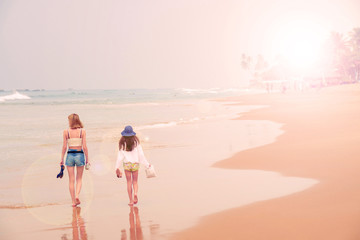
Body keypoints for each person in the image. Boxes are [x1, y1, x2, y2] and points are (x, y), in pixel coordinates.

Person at [115, 125, 150, 206]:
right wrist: (147, 164)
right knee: (135, 181)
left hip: (127, 165)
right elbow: (141, 155)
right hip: (135, 164)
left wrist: (117, 167)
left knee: (128, 182)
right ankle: (135, 194)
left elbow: (119, 158)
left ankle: (130, 200)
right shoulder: (136, 142)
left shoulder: (122, 143)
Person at [60, 113, 89, 207]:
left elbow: (64, 147)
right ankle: (77, 195)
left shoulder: (66, 132)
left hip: (69, 156)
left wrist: (61, 159)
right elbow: (84, 147)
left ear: (71, 121)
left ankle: (73, 202)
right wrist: (87, 159)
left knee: (71, 180)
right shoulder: (82, 132)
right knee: (79, 178)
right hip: (80, 155)